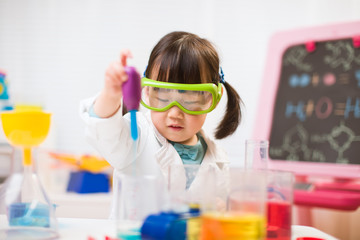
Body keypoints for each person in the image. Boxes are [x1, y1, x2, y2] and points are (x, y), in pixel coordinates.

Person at [80, 31, 243, 215]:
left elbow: (220, 212)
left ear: (212, 99)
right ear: (148, 92)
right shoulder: (136, 136)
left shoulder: (218, 158)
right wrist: (111, 94)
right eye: (163, 96)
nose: (175, 113)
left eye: (190, 98)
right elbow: (105, 130)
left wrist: (221, 209)